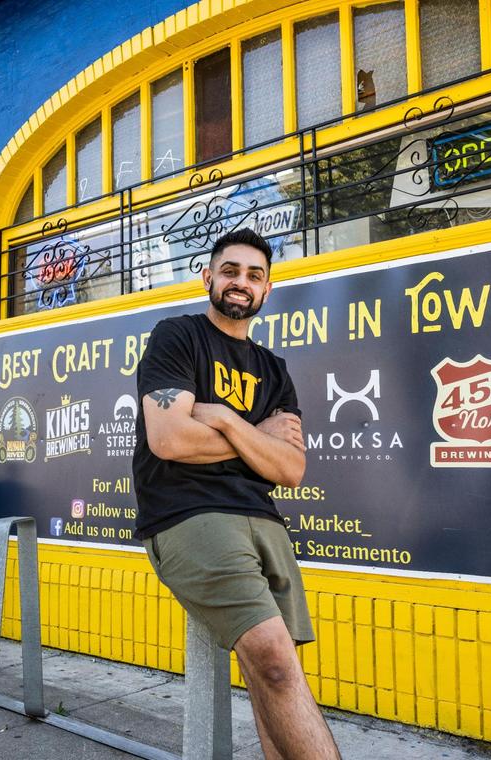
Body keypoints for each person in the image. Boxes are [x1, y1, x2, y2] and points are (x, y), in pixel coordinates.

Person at [133, 228, 342, 759]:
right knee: (273, 662)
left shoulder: (275, 369)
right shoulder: (177, 337)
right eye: (229, 270)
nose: (240, 283)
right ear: (208, 276)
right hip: (190, 515)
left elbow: (291, 469)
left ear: (267, 289)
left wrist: (225, 417)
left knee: (273, 674)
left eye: (254, 275)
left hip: (264, 520)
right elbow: (169, 438)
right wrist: (256, 440)